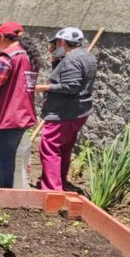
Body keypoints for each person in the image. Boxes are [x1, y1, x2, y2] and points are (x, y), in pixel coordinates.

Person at [0, 21, 42, 188]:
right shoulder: (29, 57)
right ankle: (5, 187)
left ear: (2, 37)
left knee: (2, 160)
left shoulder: (7, 58)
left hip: (5, 118)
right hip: (22, 117)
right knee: (9, 157)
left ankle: (3, 196)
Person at [35, 27, 98, 191]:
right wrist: (54, 55)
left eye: (56, 43)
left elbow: (71, 86)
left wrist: (43, 87)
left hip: (63, 112)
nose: (54, 46)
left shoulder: (71, 60)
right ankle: (59, 182)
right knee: (64, 148)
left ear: (62, 42)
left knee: (49, 148)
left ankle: (52, 190)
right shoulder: (87, 57)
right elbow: (62, 72)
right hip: (79, 111)